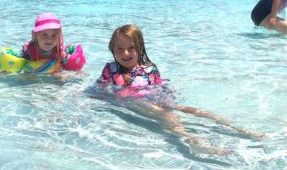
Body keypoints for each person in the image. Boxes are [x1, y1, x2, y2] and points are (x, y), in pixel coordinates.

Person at [96, 25, 264, 155]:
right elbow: (100, 87)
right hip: (133, 102)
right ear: (113, 49)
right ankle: (192, 140)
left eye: (131, 48)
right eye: (120, 49)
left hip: (155, 99)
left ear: (139, 48)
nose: (125, 53)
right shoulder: (110, 69)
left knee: (195, 111)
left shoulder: (150, 68)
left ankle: (238, 129)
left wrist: (169, 99)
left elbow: (160, 87)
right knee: (168, 115)